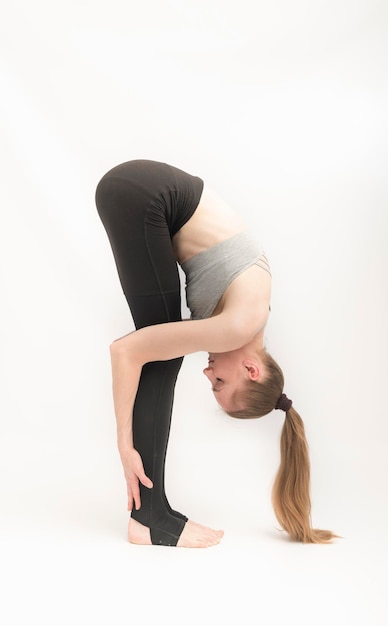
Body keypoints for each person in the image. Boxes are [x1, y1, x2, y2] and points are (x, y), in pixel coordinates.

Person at [95, 159, 337, 548]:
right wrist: (125, 446)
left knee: (164, 353)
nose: (208, 375)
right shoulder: (239, 325)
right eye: (221, 382)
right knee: (160, 358)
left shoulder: (252, 322)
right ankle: (149, 518)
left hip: (142, 192)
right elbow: (124, 351)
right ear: (252, 369)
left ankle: (155, 512)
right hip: (141, 195)